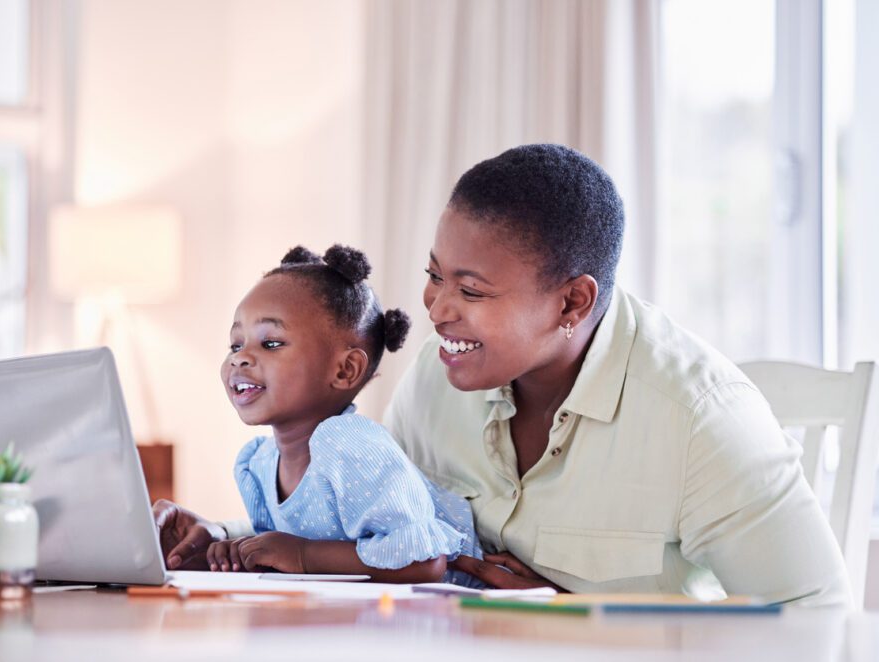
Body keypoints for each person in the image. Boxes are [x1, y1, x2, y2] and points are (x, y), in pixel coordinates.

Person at [382, 144, 851, 606]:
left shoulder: (699, 419)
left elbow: (817, 623)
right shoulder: (434, 374)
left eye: (470, 291)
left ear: (572, 302)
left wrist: (584, 620)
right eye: (435, 274)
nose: (438, 309)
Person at [155, 244, 483, 584]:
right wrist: (228, 551)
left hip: (456, 620)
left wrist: (302, 554)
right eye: (236, 345)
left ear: (345, 370)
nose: (240, 358)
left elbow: (424, 562)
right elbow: (281, 556)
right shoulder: (260, 464)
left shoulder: (351, 445)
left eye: (271, 343)